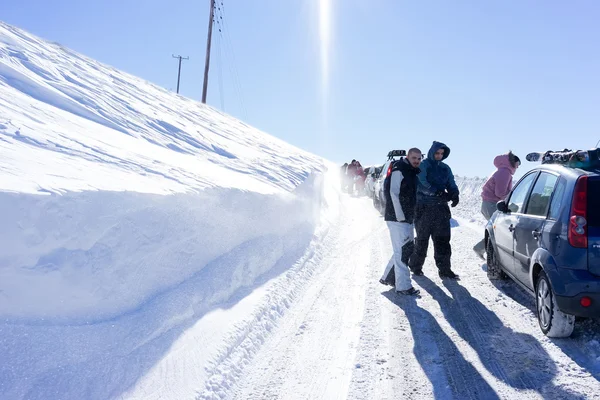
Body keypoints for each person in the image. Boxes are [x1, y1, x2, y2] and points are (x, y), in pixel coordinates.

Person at [409, 141, 460, 279]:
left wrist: (455, 193)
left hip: (440, 209)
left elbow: (451, 182)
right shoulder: (423, 165)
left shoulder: (445, 168)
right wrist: (435, 191)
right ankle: (415, 266)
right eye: (437, 153)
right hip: (423, 208)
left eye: (442, 154)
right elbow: (422, 182)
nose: (439, 156)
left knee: (442, 240)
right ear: (432, 152)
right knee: (422, 240)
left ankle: (444, 269)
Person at [379, 148, 423, 296]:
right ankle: (403, 287)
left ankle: (389, 277)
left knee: (405, 249)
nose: (417, 160)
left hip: (407, 218)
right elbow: (393, 192)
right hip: (397, 218)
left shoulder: (411, 171)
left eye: (419, 158)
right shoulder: (400, 169)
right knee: (403, 252)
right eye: (414, 158)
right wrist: (400, 216)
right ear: (408, 157)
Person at [473, 151, 520, 259]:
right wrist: (512, 198)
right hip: (492, 204)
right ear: (513, 162)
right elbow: (500, 193)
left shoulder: (502, 171)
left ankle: (483, 249)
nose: (518, 167)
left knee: (497, 229)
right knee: (499, 229)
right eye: (518, 164)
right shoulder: (505, 172)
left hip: (488, 204)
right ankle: (483, 250)